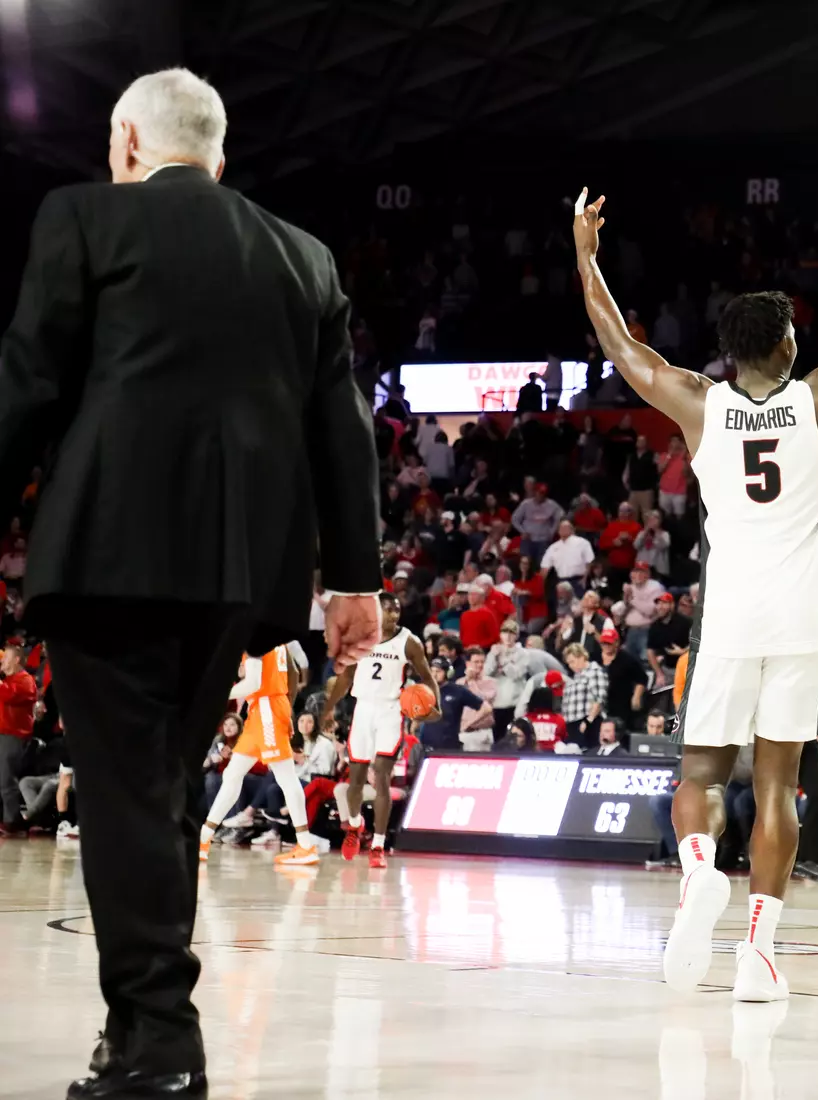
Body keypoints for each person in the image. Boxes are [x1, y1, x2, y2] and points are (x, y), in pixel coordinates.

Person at [0, 69, 383, 1100]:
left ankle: (159, 1039)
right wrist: (355, 577)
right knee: (157, 788)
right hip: (237, 570)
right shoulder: (302, 254)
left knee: (128, 793)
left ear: (127, 143)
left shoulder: (83, 218)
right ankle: (140, 1029)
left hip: (108, 551)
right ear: (218, 151)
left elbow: (28, 384)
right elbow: (342, 430)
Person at [573, 157, 818, 1002]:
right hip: (797, 617)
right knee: (780, 785)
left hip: (730, 613)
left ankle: (699, 866)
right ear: (784, 345)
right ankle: (759, 953)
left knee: (700, 777)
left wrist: (586, 254)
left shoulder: (696, 402)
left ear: (727, 352)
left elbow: (618, 340)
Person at [320, 593, 437, 868]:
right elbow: (345, 678)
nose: (393, 615)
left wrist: (437, 707)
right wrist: (328, 709)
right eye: (388, 610)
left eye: (397, 611)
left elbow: (428, 678)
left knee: (382, 777)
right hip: (362, 709)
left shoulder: (409, 642)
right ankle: (354, 827)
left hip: (390, 711)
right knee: (356, 780)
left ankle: (378, 846)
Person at [199, 643, 319, 867]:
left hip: (267, 710)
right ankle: (204, 838)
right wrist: (287, 709)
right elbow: (292, 673)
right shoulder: (276, 637)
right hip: (263, 711)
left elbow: (253, 683)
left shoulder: (255, 637)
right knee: (232, 775)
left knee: (286, 778)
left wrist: (217, 692)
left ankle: (305, 845)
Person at [0, 643, 38, 830]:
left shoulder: (25, 680)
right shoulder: (8, 681)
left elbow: (9, 696)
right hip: (3, 734)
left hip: (13, 736)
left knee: (6, 780)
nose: (2, 662)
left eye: (5, 658)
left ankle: (12, 822)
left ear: (16, 660)